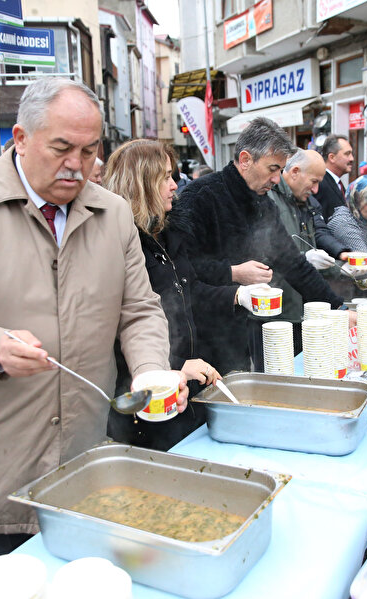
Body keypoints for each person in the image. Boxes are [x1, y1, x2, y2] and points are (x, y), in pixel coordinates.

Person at [0, 78, 187, 564]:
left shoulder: (112, 213)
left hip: (84, 447)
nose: (76, 165)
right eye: (61, 148)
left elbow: (140, 308)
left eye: (89, 151)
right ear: (20, 139)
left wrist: (150, 368)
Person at [102, 139, 260, 449]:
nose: (175, 185)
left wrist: (236, 295)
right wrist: (172, 366)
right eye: (165, 177)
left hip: (182, 389)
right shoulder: (117, 245)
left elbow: (190, 293)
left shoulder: (167, 234)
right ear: (141, 183)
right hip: (142, 403)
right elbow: (120, 331)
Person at [175, 117, 344, 373]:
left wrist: (337, 306)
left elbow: (292, 262)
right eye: (272, 168)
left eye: (281, 170)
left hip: (239, 333)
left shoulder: (263, 202)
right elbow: (181, 272)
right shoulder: (200, 197)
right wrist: (233, 273)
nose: (277, 179)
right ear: (245, 160)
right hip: (198, 338)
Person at [266, 149, 351, 354]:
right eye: (314, 181)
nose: (315, 189)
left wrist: (341, 268)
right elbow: (265, 255)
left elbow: (315, 241)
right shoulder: (269, 199)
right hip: (276, 314)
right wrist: (305, 258)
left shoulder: (305, 202)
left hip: (303, 308)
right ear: (295, 171)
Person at [313, 134, 355, 221]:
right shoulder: (320, 183)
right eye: (347, 154)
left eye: (351, 153)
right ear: (332, 157)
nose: (352, 159)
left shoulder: (337, 183)